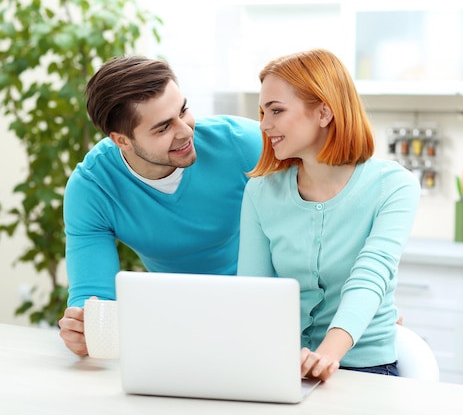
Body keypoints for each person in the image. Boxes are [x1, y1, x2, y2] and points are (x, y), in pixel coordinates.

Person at [237, 49, 421, 382]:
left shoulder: (394, 186)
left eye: (276, 110)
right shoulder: (261, 192)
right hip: (284, 368)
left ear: (324, 112)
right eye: (262, 111)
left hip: (368, 369)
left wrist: (326, 357)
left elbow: (370, 277)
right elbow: (253, 292)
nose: (264, 125)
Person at [59, 56, 262, 356]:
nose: (185, 131)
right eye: (164, 127)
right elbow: (94, 301)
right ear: (122, 141)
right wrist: (85, 332)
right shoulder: (93, 188)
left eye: (183, 111)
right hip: (174, 328)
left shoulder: (240, 143)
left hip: (261, 311)